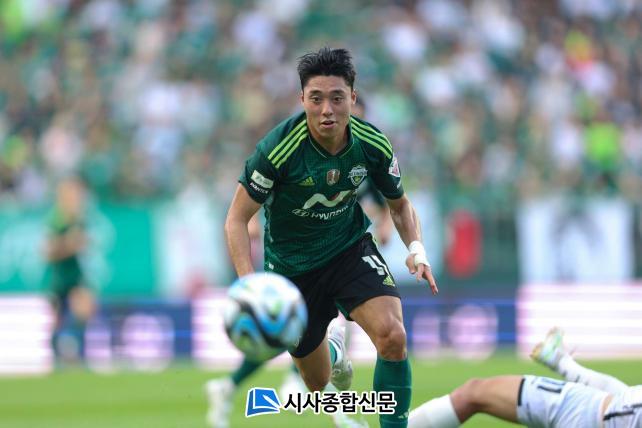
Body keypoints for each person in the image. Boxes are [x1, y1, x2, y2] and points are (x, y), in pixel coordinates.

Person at [221, 47, 437, 428]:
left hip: (348, 249)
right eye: (316, 98)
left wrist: (416, 249)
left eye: (337, 98)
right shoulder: (277, 150)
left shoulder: (372, 144)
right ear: (302, 98)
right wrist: (248, 284)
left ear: (352, 98)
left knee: (393, 336)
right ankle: (334, 352)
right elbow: (236, 219)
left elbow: (400, 205)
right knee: (316, 381)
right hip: (292, 269)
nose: (327, 110)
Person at [408, 328, 642, 428]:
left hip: (583, 412)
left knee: (474, 394)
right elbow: (624, 403)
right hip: (585, 407)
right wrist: (564, 365)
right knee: (474, 393)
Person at [45, 177, 97, 364]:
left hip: (75, 273)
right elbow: (48, 252)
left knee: (85, 309)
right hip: (59, 275)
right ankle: (58, 356)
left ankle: (78, 354)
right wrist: (69, 244)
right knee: (59, 318)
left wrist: (80, 243)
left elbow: (82, 243)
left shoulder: (79, 218)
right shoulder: (56, 219)